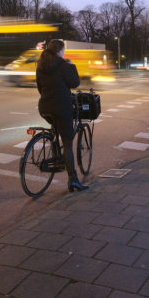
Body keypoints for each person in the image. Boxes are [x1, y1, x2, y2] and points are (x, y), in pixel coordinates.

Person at [36, 39, 88, 192]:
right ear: (59, 51)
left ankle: (56, 155)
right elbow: (75, 83)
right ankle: (73, 181)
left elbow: (40, 88)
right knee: (67, 143)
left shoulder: (41, 65)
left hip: (44, 107)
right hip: (62, 108)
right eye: (63, 50)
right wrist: (72, 65)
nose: (64, 52)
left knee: (56, 128)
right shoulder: (63, 65)